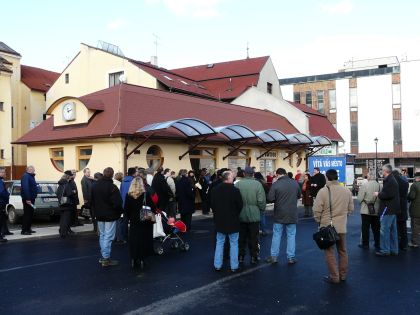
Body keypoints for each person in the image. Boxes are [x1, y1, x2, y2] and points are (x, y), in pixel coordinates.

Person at [313, 169, 353, 284]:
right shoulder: (346, 191)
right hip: (341, 227)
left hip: (327, 227)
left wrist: (319, 221)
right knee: (343, 251)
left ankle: (335, 277)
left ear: (327, 177)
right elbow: (350, 210)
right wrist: (342, 218)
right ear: (337, 177)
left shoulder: (323, 191)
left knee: (329, 252)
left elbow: (316, 210)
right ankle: (343, 275)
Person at [265, 168, 301, 265]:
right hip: (292, 213)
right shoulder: (294, 183)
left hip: (279, 214)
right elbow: (299, 195)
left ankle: (274, 257)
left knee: (277, 235)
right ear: (285, 173)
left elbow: (270, 198)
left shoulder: (276, 184)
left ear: (277, 175)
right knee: (291, 235)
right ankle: (291, 257)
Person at [211, 171, 243, 272]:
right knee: (234, 243)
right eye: (232, 177)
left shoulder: (215, 190)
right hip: (233, 220)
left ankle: (217, 265)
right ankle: (234, 266)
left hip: (220, 220)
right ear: (228, 178)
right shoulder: (235, 190)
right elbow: (240, 206)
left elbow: (212, 205)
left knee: (219, 242)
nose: (233, 178)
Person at [91, 167, 123, 267]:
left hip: (99, 215)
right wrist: (120, 212)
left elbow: (92, 201)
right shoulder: (112, 187)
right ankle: (105, 258)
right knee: (108, 236)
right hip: (110, 215)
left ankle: (104, 256)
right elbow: (117, 203)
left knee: (103, 235)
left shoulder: (95, 185)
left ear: (103, 173)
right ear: (112, 175)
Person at [235, 166, 266, 265]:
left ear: (244, 174)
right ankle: (254, 256)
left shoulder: (238, 184)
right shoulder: (257, 184)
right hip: (254, 213)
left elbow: (235, 200)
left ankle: (241, 256)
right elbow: (261, 201)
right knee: (254, 237)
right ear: (253, 174)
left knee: (241, 236)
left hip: (240, 213)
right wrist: (261, 209)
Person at [124, 177, 156, 272]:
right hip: (145, 219)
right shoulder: (145, 194)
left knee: (134, 239)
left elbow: (126, 210)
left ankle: (134, 257)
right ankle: (142, 258)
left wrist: (130, 218)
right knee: (144, 239)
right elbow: (153, 208)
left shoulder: (128, 195)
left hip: (134, 220)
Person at [375, 164, 400, 257]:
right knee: (393, 230)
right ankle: (394, 249)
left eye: (382, 170)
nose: (381, 172)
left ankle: (385, 250)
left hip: (387, 209)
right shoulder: (392, 180)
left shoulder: (389, 181)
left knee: (384, 230)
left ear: (385, 171)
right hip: (392, 209)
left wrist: (378, 194)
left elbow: (387, 195)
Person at [357, 174, 381, 250]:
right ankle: (377, 243)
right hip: (377, 209)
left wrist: (361, 202)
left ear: (369, 178)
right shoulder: (380, 186)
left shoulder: (365, 185)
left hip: (366, 209)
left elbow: (359, 198)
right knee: (376, 228)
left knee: (365, 227)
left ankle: (365, 244)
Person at [116, 167, 137, 244]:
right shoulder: (134, 181)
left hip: (124, 204)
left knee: (124, 222)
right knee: (133, 221)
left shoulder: (123, 181)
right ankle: (133, 237)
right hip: (132, 204)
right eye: (136, 171)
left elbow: (121, 192)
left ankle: (124, 238)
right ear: (134, 173)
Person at [57, 171, 78, 238]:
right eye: (71, 175)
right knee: (66, 219)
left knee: (62, 218)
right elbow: (69, 193)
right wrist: (73, 192)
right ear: (68, 177)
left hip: (61, 203)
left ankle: (61, 231)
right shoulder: (66, 184)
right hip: (67, 204)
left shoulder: (61, 183)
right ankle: (63, 234)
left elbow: (58, 193)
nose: (72, 176)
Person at [392, 169, 409, 251]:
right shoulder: (405, 183)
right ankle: (404, 244)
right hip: (403, 207)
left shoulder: (392, 183)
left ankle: (395, 245)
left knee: (394, 227)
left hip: (395, 207)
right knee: (403, 227)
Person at [20, 166, 38, 235]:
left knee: (30, 214)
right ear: (28, 170)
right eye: (33, 169)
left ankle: (28, 229)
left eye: (34, 169)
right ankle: (24, 230)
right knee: (27, 214)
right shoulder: (26, 176)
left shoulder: (30, 176)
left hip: (31, 198)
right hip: (28, 199)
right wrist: (28, 198)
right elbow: (25, 187)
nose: (34, 170)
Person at [254, 172, 269, 236]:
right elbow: (267, 190)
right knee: (262, 216)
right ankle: (264, 230)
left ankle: (256, 231)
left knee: (255, 217)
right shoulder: (263, 182)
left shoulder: (254, 183)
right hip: (263, 200)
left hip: (255, 200)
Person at [408, 172, 420, 248]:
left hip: (416, 209)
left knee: (415, 226)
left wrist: (407, 196)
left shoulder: (414, 185)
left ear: (417, 178)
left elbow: (412, 196)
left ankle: (414, 242)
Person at [0, 167, 10, 243]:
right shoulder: (0, 181)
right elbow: (2, 192)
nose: (4, 173)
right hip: (1, 202)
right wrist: (7, 195)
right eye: (3, 172)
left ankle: (4, 232)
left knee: (3, 218)